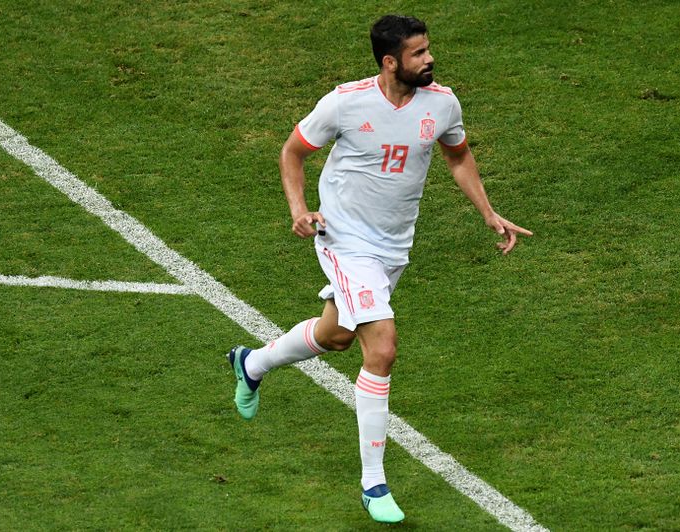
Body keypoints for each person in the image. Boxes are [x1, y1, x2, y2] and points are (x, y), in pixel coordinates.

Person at [228, 14, 532, 524]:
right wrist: (299, 211)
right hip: (345, 240)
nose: (429, 58)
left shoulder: (443, 103)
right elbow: (293, 152)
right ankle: (373, 482)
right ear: (391, 61)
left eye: (428, 49)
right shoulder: (345, 103)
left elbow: (458, 157)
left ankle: (252, 364)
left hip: (394, 245)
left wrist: (488, 211)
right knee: (383, 347)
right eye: (418, 53)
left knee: (339, 334)